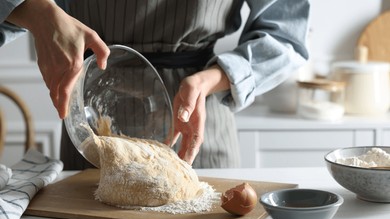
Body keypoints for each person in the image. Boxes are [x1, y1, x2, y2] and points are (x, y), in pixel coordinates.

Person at [0, 0, 310, 170]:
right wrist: (39, 11)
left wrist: (212, 79)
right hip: (89, 119)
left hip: (195, 121)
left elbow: (286, 36)